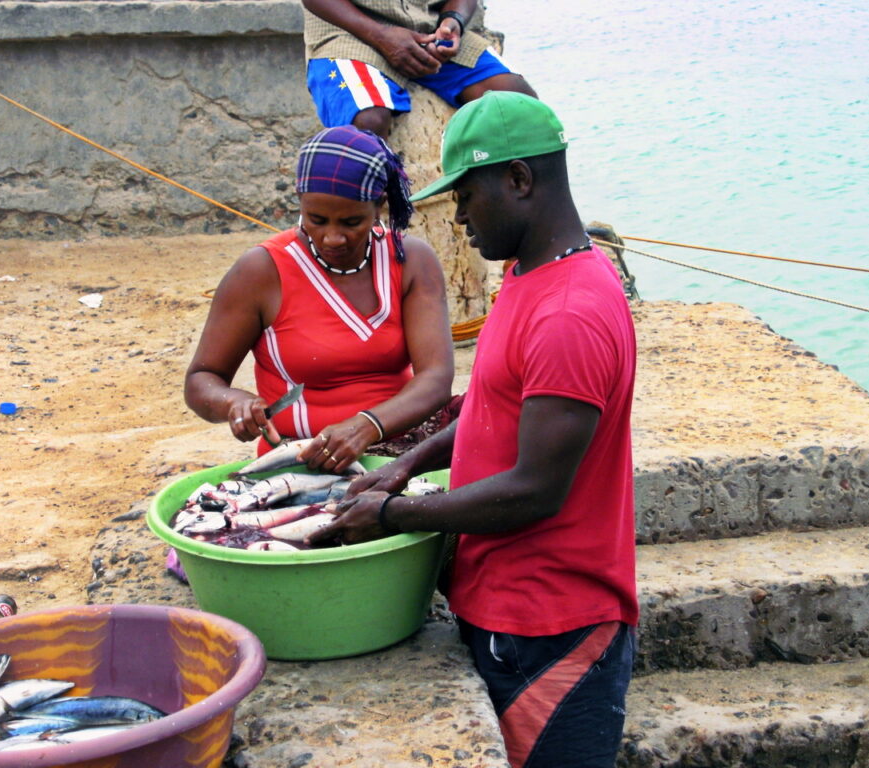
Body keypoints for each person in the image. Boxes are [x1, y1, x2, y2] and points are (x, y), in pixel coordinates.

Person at [309, 92, 638, 768]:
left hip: (553, 626)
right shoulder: (524, 276)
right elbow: (489, 410)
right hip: (502, 608)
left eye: (466, 196)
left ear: (519, 180)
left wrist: (396, 514)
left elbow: (536, 489)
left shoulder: (571, 312)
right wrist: (404, 464)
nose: (456, 218)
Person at [184, 125, 454, 474]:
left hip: (402, 455)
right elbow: (202, 379)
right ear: (300, 202)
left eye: (352, 221)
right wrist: (233, 402)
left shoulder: (411, 260)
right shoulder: (262, 272)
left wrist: (368, 425)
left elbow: (435, 377)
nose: (333, 238)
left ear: (379, 207)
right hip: (300, 463)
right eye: (316, 219)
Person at [301, 0, 536, 139]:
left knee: (518, 104)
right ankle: (367, 220)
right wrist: (381, 36)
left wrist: (453, 21)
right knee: (368, 121)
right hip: (348, 32)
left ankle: (507, 213)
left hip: (430, 26)